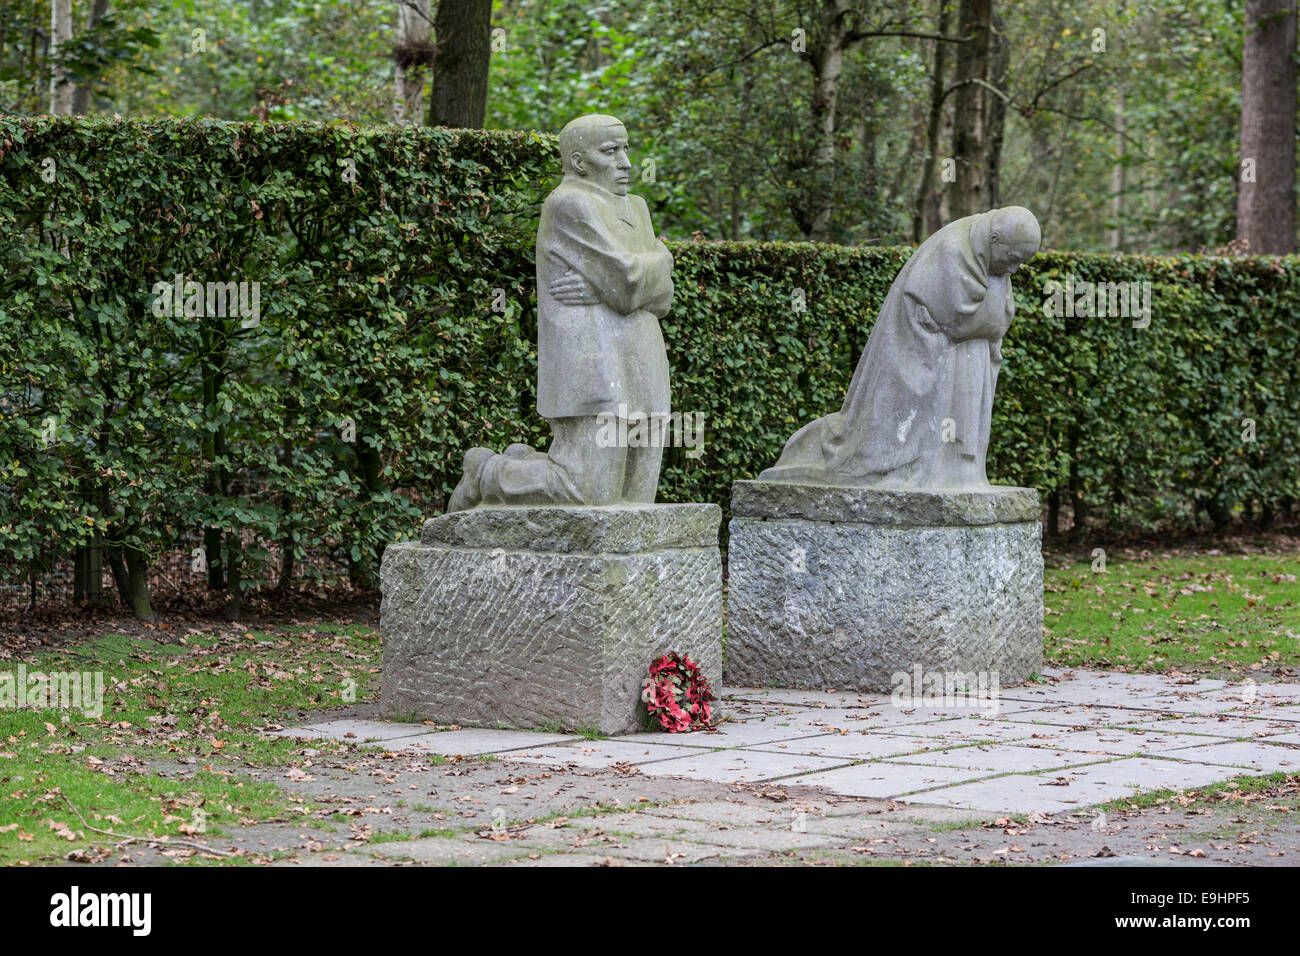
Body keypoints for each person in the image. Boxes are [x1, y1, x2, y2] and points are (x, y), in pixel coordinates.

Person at [448, 114, 674, 511]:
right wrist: (645, 271)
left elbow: (662, 295)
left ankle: (523, 461)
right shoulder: (570, 203)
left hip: (644, 361)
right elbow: (627, 280)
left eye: (625, 149)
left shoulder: (636, 207)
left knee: (637, 501)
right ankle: (488, 472)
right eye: (610, 151)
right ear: (579, 161)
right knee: (590, 495)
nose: (626, 162)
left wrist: (623, 282)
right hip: (595, 368)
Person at [761, 206, 1041, 490]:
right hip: (924, 354)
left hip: (965, 358)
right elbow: (956, 321)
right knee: (881, 440)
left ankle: (955, 472)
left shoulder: (989, 257)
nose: (1014, 269)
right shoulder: (953, 250)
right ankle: (916, 468)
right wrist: (986, 322)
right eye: (1013, 258)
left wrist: (989, 323)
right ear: (994, 238)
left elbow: (997, 318)